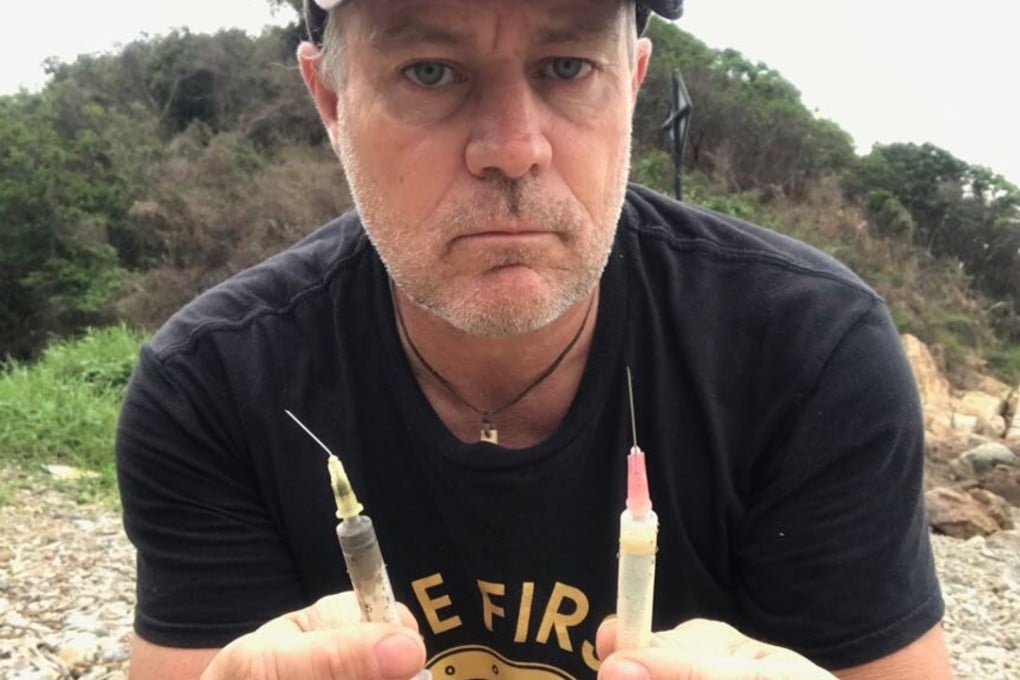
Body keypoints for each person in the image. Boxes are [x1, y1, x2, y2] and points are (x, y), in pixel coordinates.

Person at [115, 0, 953, 678]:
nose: (513, 149)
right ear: (330, 101)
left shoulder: (809, 356)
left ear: (632, 84)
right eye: (430, 71)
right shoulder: (214, 387)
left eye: (568, 67)